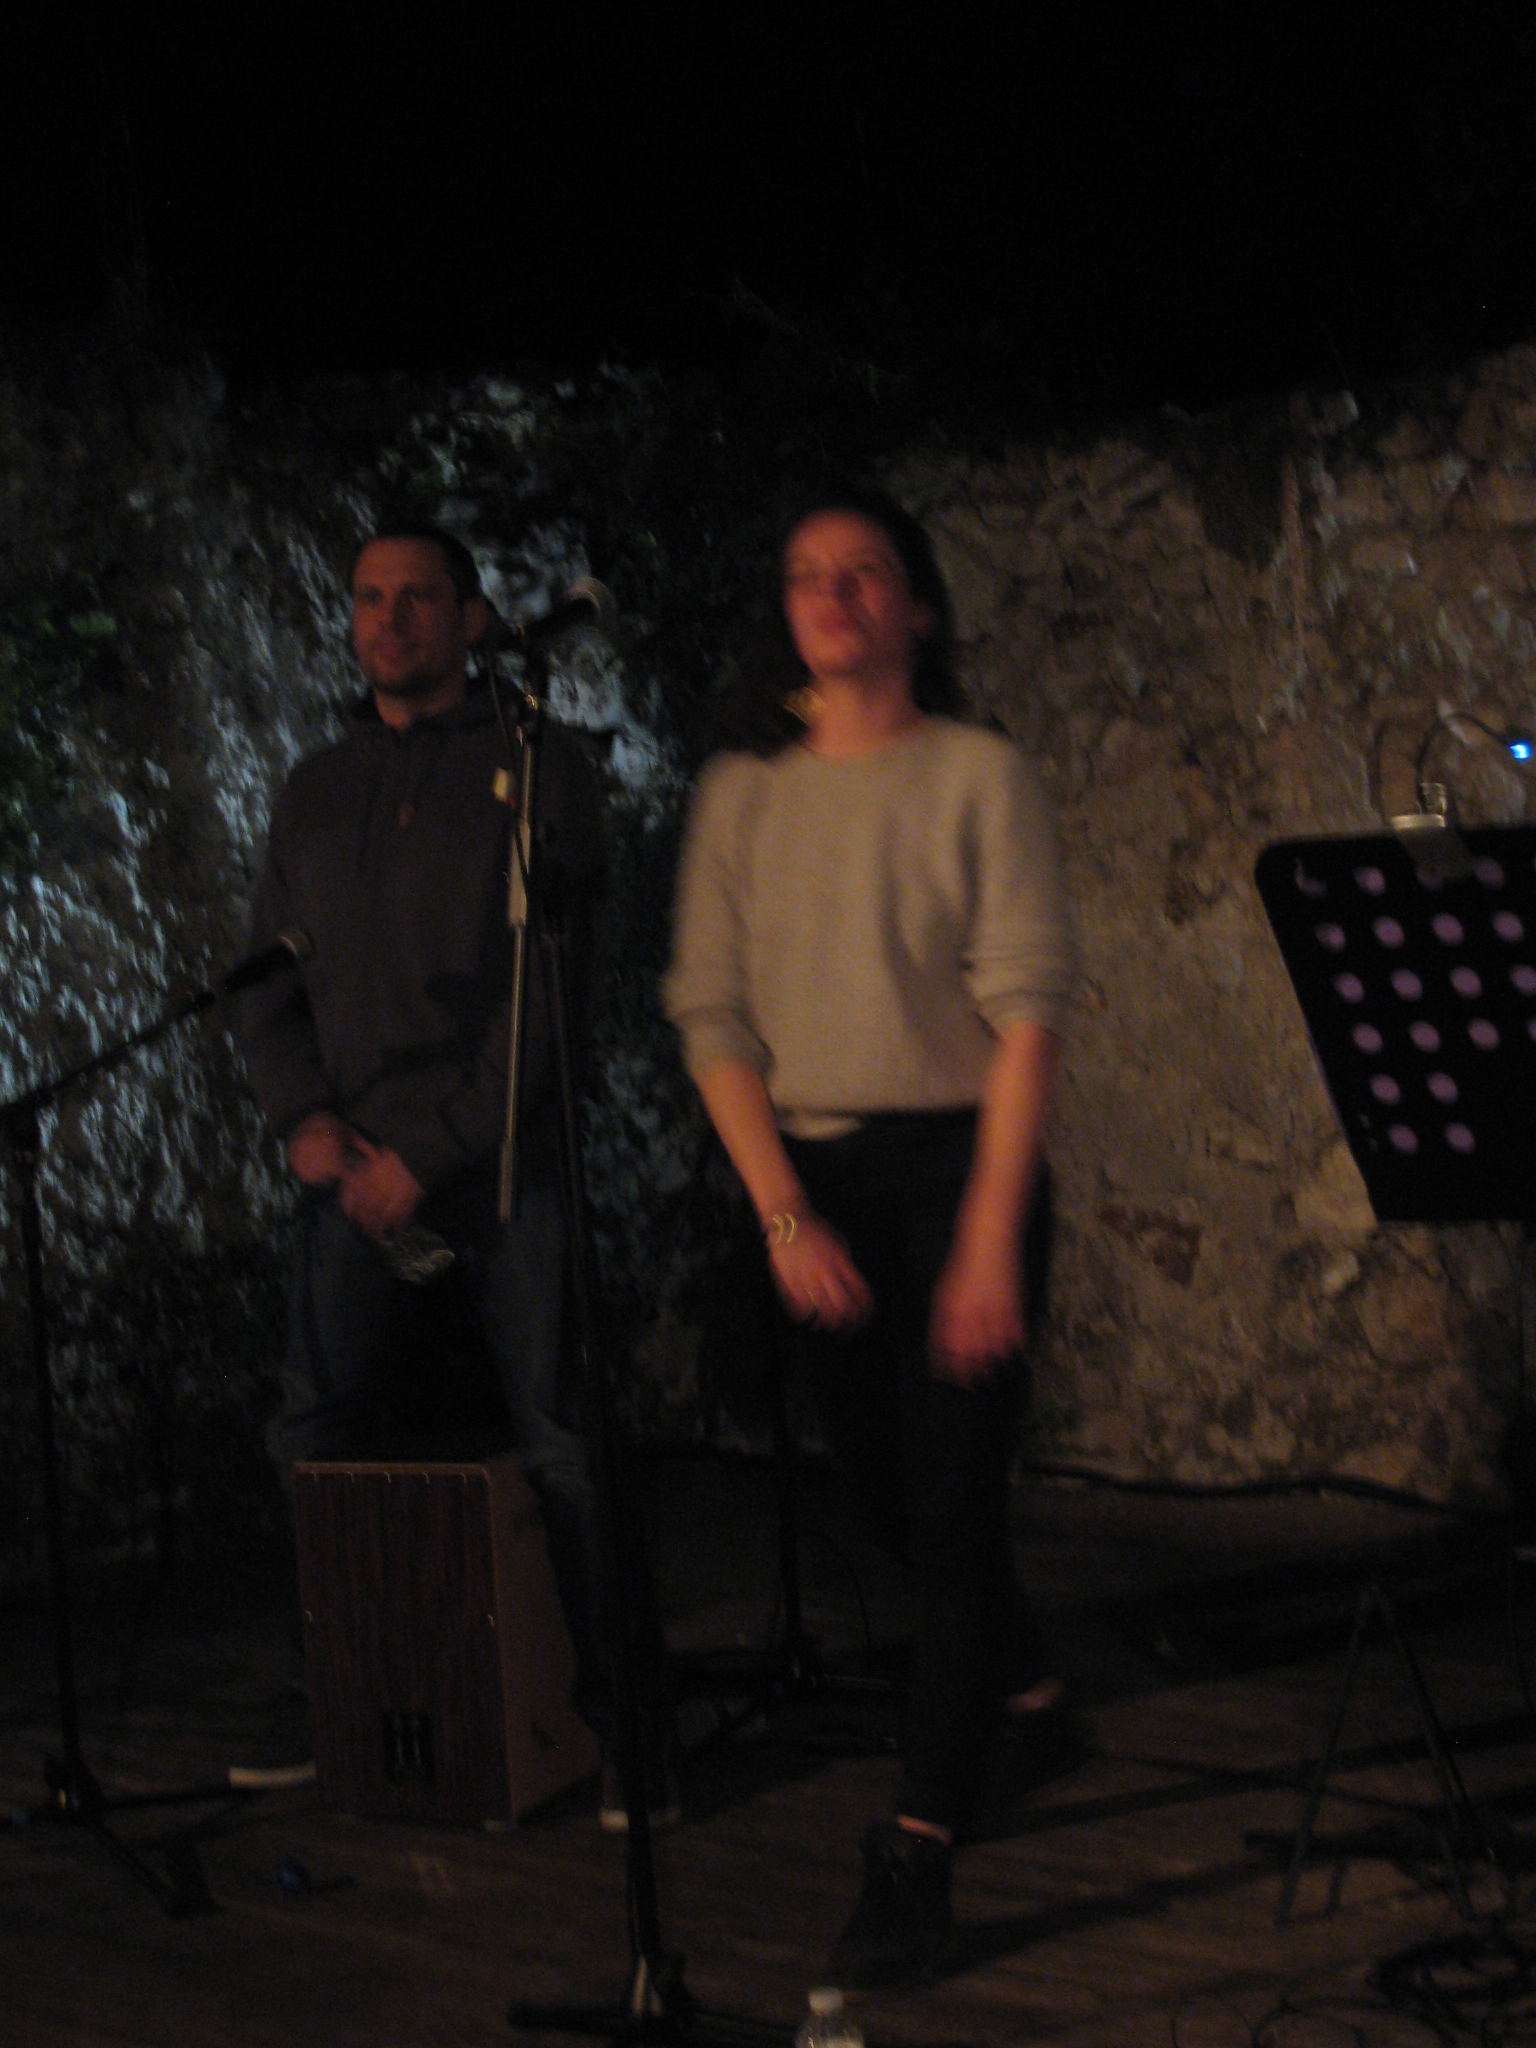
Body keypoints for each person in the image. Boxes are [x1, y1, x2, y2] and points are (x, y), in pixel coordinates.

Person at [663, 488, 1075, 1989]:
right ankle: (1029, 1697)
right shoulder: (741, 794)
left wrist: (986, 1240)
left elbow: (1027, 1013)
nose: (831, 596)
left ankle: (916, 1847)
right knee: (891, 1505)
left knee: (953, 1514)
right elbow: (713, 1017)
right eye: (806, 576)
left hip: (960, 1166)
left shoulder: (979, 773)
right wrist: (782, 1214)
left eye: (864, 573)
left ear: (919, 607)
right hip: (815, 1179)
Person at [239, 519, 671, 1824]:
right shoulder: (317, 787)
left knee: (563, 1444)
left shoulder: (538, 769)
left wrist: (429, 1154)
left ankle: (630, 1731)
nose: (389, 620)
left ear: (472, 618)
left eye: (417, 596)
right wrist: (304, 1120)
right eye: (369, 597)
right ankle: (337, 1697)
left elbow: (548, 1004)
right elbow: (268, 978)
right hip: (348, 1175)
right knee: (311, 1437)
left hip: (500, 1169)